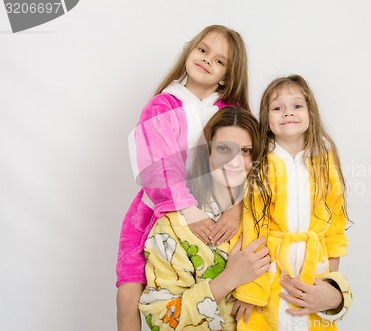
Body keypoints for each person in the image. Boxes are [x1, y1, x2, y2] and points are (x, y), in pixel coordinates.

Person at [116, 25, 250, 331]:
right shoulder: (162, 106)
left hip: (219, 210)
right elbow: (160, 166)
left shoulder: (230, 111)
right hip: (155, 212)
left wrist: (235, 208)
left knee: (215, 290)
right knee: (127, 296)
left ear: (227, 76)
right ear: (190, 51)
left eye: (219, 60)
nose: (206, 60)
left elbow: (248, 162)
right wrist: (191, 212)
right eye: (203, 50)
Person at [232, 75, 352, 330]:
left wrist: (330, 282)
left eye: (297, 106)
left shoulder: (324, 158)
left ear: (310, 112)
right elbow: (253, 226)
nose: (288, 112)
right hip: (270, 271)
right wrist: (251, 289)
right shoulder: (260, 162)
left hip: (313, 267)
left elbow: (335, 227)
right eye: (278, 108)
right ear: (267, 118)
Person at [139, 107, 270, 330]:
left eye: (246, 151)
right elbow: (161, 320)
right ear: (206, 152)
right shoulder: (172, 227)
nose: (236, 162)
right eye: (223, 149)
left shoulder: (272, 213)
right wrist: (229, 279)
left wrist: (335, 297)